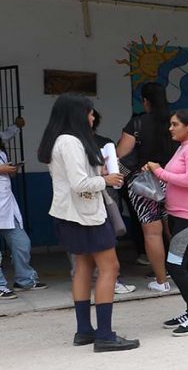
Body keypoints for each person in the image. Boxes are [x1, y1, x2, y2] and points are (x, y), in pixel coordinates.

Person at [39, 94, 138, 352]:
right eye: (90, 112)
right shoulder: (71, 141)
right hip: (86, 215)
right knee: (110, 268)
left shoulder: (60, 140)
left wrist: (99, 172)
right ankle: (105, 335)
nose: (93, 117)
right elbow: (80, 184)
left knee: (83, 267)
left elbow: (77, 177)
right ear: (78, 114)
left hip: (71, 214)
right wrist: (107, 180)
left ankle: (84, 330)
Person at [144, 110, 188, 336]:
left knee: (174, 265)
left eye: (175, 124)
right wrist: (155, 171)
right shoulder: (184, 146)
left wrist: (159, 171)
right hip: (180, 216)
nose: (170, 128)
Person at [116, 82, 176, 293]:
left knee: (152, 233)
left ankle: (161, 281)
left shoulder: (137, 123)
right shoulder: (175, 122)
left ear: (144, 101)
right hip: (173, 180)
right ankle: (186, 275)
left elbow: (121, 154)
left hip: (144, 184)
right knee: (175, 231)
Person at [0, 116, 47, 299]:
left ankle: (24, 279)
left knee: (22, 243)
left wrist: (11, 170)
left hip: (6, 206)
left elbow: (6, 134)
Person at [89, 111, 134, 295]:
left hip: (89, 195)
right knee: (107, 235)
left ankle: (90, 278)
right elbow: (116, 168)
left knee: (89, 239)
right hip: (106, 191)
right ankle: (110, 279)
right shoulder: (105, 143)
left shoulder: (71, 143)